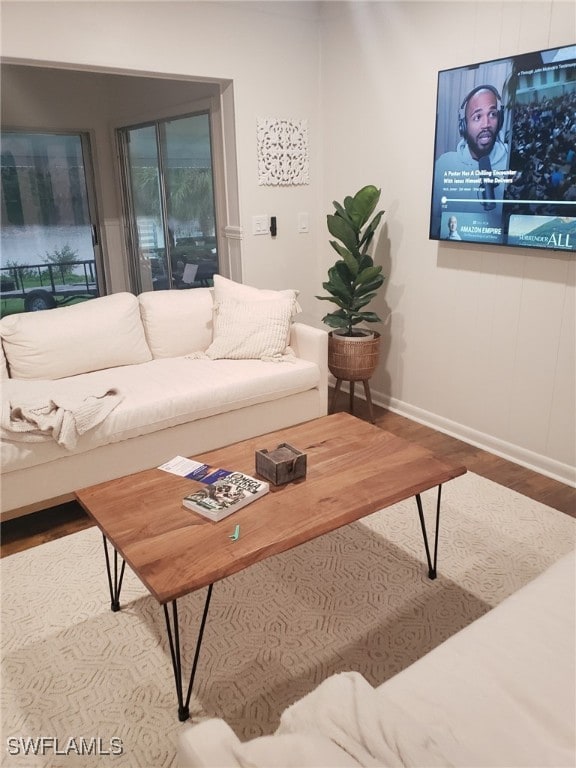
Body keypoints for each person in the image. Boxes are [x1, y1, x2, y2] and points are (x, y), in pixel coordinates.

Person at [431, 85, 509, 238]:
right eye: (477, 117)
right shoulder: (444, 165)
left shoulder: (511, 158)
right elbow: (434, 224)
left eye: (492, 114)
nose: (486, 124)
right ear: (463, 126)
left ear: (500, 120)